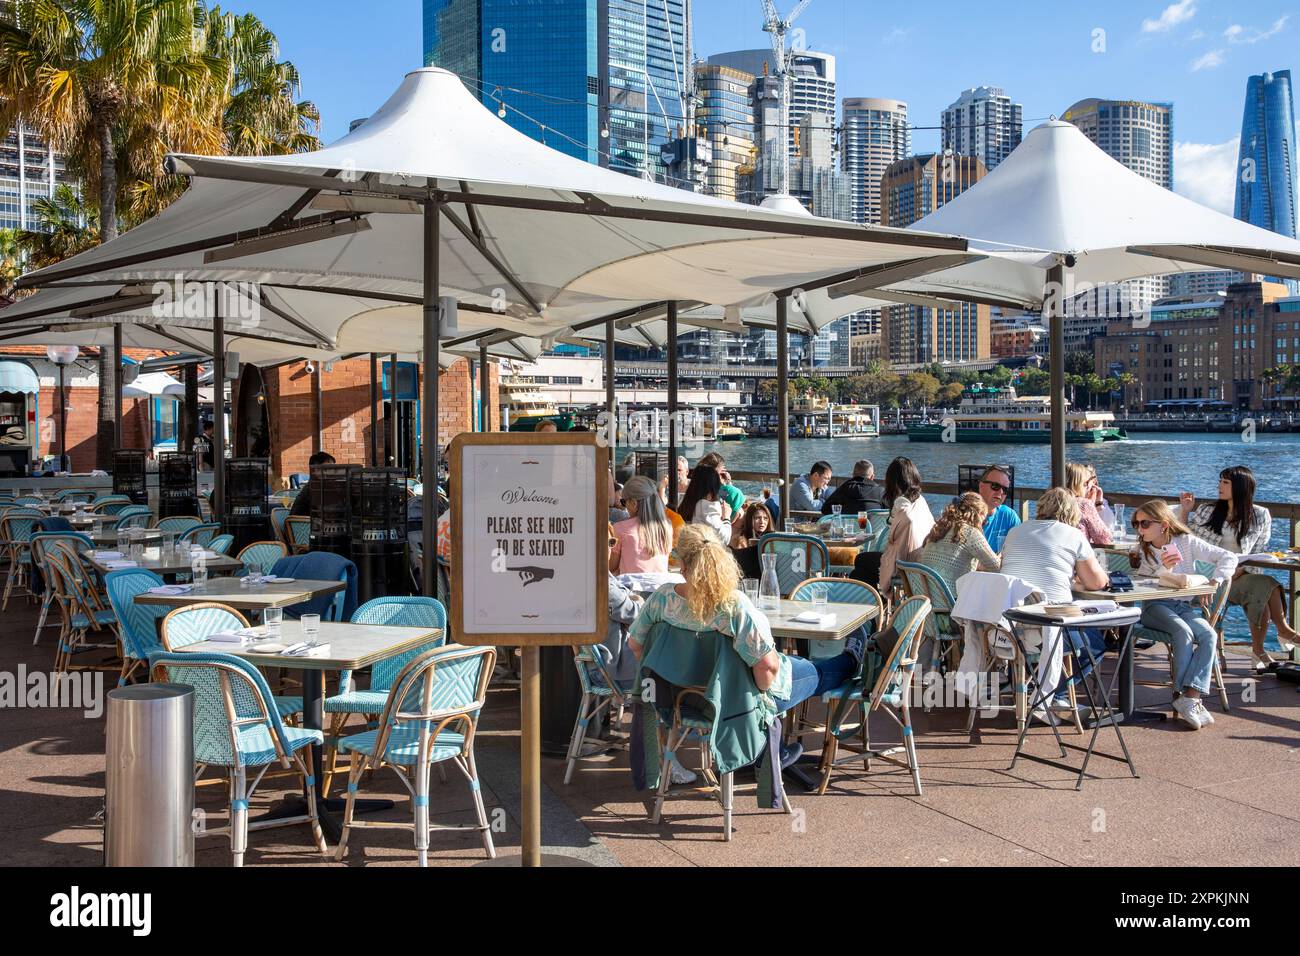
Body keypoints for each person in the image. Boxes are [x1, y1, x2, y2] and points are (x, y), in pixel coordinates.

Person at [627, 525, 865, 766]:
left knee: (790, 665)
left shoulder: (661, 599)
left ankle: (770, 749)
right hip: (735, 704)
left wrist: (680, 672)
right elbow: (768, 669)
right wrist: (754, 699)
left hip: (682, 700)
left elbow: (637, 646)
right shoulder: (732, 607)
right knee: (816, 671)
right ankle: (852, 660)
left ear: (683, 564)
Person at [998, 488, 1111, 719]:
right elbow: (1097, 582)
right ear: (1072, 512)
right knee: (1096, 645)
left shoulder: (1015, 531)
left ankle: (1038, 689)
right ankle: (1051, 696)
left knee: (1080, 638)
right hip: (1049, 626)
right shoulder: (1072, 535)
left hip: (1008, 628)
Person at [1129, 499, 1237, 729]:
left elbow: (1229, 557)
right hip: (1154, 607)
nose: (1140, 529)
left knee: (1209, 635)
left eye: (1145, 523)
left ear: (1164, 524)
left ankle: (1192, 696)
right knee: (1183, 632)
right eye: (1136, 524)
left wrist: (1215, 580)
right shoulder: (1142, 549)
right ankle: (1180, 696)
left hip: (1183, 607)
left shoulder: (1186, 542)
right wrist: (1164, 570)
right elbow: (1140, 584)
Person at [1179, 466, 1297, 670]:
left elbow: (1258, 551)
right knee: (1265, 586)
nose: (1219, 486)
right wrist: (1185, 511)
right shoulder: (1208, 510)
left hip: (1241, 574)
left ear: (1241, 487)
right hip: (1209, 579)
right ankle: (1277, 637)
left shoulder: (1260, 515)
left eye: (1225, 482)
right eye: (1220, 481)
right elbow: (1185, 540)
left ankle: (1266, 646)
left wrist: (1237, 571)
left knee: (1262, 585)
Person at [852, 457, 934, 590]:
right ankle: (882, 603)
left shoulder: (901, 502)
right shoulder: (921, 500)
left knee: (860, 560)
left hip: (902, 563)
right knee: (859, 573)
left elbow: (893, 534)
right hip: (922, 559)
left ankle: (878, 604)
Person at [914, 493, 1001, 596]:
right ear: (977, 514)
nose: (983, 524)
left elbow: (953, 559)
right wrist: (1000, 556)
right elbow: (997, 567)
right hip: (950, 602)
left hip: (924, 599)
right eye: (984, 520)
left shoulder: (939, 528)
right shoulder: (970, 532)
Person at [609, 475, 674, 575]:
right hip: (660, 587)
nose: (623, 506)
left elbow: (611, 567)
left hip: (631, 588)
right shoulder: (667, 527)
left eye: (624, 502)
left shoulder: (621, 528)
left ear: (634, 504)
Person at [676, 465, 731, 544]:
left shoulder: (685, 501)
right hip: (703, 552)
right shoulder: (706, 506)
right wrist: (726, 517)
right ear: (713, 486)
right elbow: (724, 538)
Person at [1064, 462, 1112, 546]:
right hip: (1076, 556)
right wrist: (1094, 505)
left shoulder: (1049, 501)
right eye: (1087, 482)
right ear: (1080, 484)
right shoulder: (1084, 504)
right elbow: (1105, 539)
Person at [976, 464, 1020, 553]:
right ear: (981, 486)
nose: (1000, 492)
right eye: (995, 486)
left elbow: (1019, 551)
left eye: (1005, 489)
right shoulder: (964, 516)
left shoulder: (1009, 516)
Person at [729, 501, 773, 579]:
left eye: (765, 518)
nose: (762, 522)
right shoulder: (739, 540)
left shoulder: (771, 539)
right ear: (750, 519)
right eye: (757, 518)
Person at [697, 451, 746, 519]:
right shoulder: (732, 492)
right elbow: (727, 497)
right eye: (722, 471)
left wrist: (726, 484)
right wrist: (727, 485)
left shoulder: (695, 489)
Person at [289, 451, 336, 517]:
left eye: (333, 469)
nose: (331, 472)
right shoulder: (314, 488)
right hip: (302, 525)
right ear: (314, 470)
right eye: (327, 469)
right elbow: (325, 514)